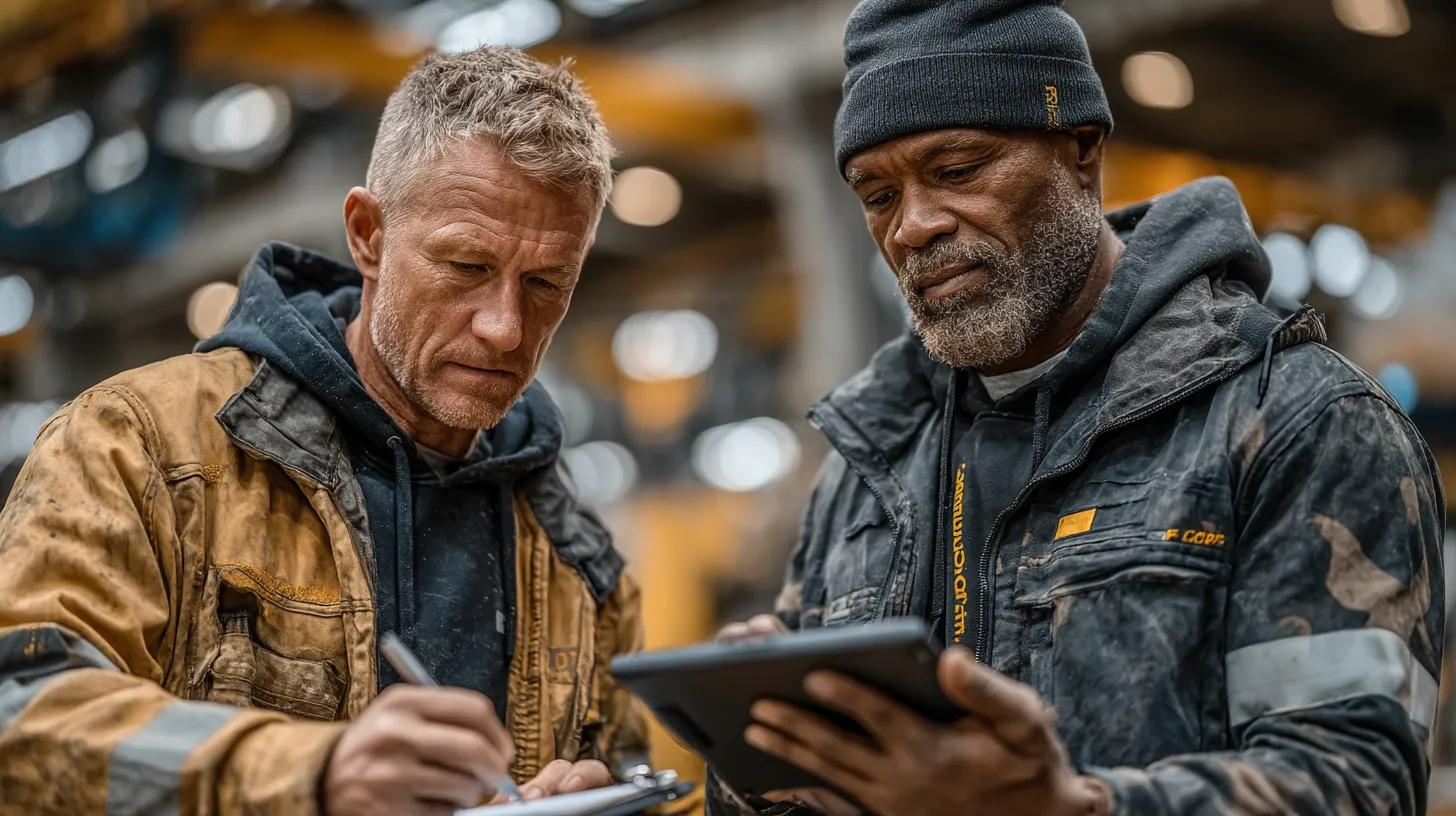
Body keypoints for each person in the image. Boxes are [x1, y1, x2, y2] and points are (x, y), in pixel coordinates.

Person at [714, 2, 1444, 815]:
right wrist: (756, 763)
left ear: (1082, 150)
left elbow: (1356, 786)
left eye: (957, 170)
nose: (913, 226)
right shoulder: (866, 468)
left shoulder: (1295, 421)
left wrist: (1066, 807)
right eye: (878, 195)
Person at [0, 46, 649, 816]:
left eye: (547, 283)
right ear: (368, 234)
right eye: (466, 266)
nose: (506, 329)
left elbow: (631, 764)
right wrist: (310, 773)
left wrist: (607, 795)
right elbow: (21, 712)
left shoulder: (577, 559)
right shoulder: (140, 446)